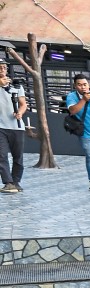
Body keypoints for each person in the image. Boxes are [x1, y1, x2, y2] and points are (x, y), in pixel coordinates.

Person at [0, 56, 27, 193]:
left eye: (4, 67)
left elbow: (23, 104)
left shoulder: (16, 86)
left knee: (18, 156)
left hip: (16, 126)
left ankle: (16, 182)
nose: (2, 70)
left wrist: (20, 113)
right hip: (0, 127)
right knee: (2, 155)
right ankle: (8, 182)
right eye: (0, 67)